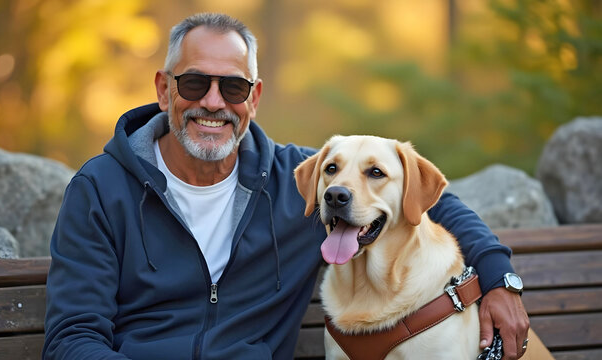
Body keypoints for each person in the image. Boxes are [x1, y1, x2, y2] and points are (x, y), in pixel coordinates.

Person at [43, 12, 529, 360]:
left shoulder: (308, 182)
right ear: (163, 88)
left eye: (232, 88)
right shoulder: (100, 189)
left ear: (254, 98)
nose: (213, 103)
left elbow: (437, 205)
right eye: (194, 84)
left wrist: (499, 278)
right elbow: (72, 338)